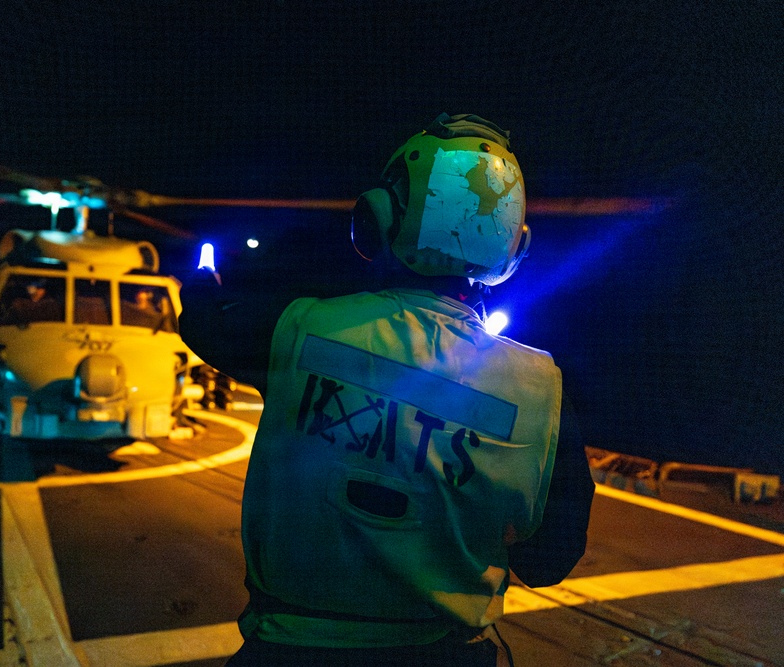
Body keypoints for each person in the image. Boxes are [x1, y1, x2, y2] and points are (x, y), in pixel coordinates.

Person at [178, 113, 595, 666]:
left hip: (289, 651)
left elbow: (205, 322)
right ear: (512, 249)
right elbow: (549, 562)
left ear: (378, 219)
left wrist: (204, 284)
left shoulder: (301, 329)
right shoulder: (542, 392)